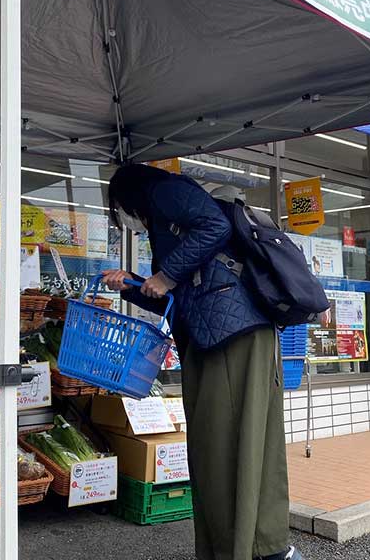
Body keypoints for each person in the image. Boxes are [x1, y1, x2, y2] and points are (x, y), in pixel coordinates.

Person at [101, 164, 302, 560]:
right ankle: (252, 546)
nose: (128, 219)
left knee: (224, 446)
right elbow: (183, 290)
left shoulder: (164, 191)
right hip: (223, 335)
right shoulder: (164, 210)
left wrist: (167, 274)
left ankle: (254, 548)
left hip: (233, 337)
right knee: (226, 446)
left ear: (129, 195)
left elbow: (216, 227)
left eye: (121, 209)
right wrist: (133, 285)